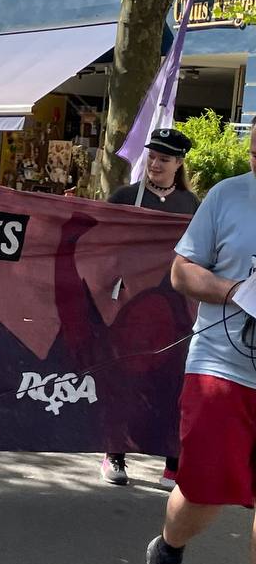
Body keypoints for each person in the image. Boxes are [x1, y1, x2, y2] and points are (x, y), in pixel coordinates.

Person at [138, 116, 256, 564]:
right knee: (206, 491)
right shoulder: (228, 196)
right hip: (222, 366)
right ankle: (168, 550)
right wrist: (236, 291)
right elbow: (181, 272)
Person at [101, 127, 199, 489]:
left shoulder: (192, 205)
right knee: (124, 378)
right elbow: (100, 243)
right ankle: (115, 452)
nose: (155, 164)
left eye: (164, 159)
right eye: (152, 157)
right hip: (130, 305)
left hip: (176, 307)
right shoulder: (125, 196)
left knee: (173, 381)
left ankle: (173, 459)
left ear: (179, 163)